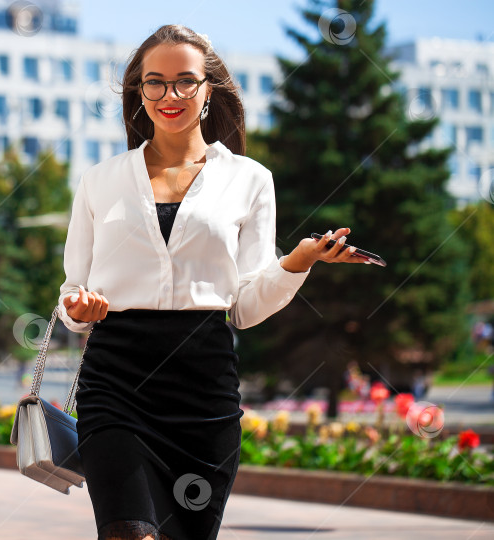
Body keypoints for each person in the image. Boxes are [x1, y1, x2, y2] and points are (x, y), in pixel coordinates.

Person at [56, 25, 368, 540]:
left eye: (185, 81)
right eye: (154, 83)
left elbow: (244, 305)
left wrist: (296, 262)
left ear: (209, 89)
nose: (169, 95)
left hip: (202, 390)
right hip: (115, 382)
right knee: (128, 531)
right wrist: (79, 309)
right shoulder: (99, 180)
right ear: (138, 92)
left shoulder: (249, 179)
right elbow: (72, 291)